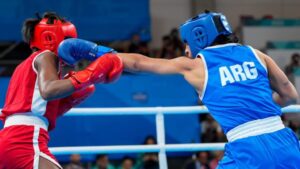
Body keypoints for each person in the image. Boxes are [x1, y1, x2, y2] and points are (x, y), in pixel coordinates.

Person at [58, 10, 300, 168]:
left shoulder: (197, 65)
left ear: (199, 37)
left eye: (186, 43)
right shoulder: (256, 54)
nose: (185, 50)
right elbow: (290, 95)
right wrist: (264, 108)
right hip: (285, 141)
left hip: (247, 149)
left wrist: (94, 51)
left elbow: (140, 63)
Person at [0, 12, 123, 169]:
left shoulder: (23, 67)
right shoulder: (46, 56)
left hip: (9, 138)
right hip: (25, 139)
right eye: (68, 40)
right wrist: (89, 75)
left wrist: (65, 102)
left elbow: (33, 106)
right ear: (51, 38)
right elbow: (48, 90)